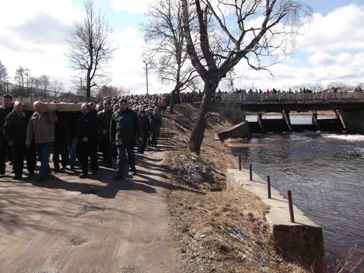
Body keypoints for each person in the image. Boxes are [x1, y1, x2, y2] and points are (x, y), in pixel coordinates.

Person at [26, 101, 57, 181]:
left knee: (44, 158)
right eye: (36, 107)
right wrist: (28, 140)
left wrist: (48, 110)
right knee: (42, 158)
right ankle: (48, 172)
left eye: (39, 106)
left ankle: (42, 176)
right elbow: (30, 130)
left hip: (47, 140)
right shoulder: (34, 115)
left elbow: (54, 120)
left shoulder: (49, 114)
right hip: (38, 141)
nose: (37, 108)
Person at [110, 99, 139, 179]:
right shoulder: (115, 114)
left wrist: (137, 137)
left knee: (130, 155)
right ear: (119, 105)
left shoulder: (133, 114)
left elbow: (137, 126)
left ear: (127, 105)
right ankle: (120, 174)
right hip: (119, 138)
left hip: (130, 138)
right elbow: (112, 128)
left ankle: (132, 168)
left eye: (124, 104)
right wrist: (112, 139)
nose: (122, 106)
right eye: (121, 104)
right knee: (120, 156)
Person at [3, 101, 28, 179]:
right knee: (16, 158)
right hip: (14, 141)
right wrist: (9, 140)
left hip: (23, 140)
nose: (20, 108)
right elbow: (6, 129)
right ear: (15, 107)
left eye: (21, 107)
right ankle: (17, 174)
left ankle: (19, 173)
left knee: (21, 158)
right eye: (18, 107)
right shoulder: (10, 116)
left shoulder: (24, 115)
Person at [77, 103, 98, 178]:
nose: (84, 110)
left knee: (92, 155)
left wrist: (87, 136)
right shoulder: (79, 116)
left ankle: (94, 168)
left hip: (90, 139)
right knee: (83, 156)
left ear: (88, 109)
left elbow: (93, 128)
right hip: (82, 139)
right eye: (82, 108)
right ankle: (84, 172)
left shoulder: (92, 116)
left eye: (85, 108)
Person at [0, 95, 13, 176]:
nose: (5, 102)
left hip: (12, 135)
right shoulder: (0, 110)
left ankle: (16, 169)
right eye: (4, 100)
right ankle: (1, 170)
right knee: (1, 153)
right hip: (1, 134)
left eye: (7, 100)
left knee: (14, 153)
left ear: (11, 101)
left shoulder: (14, 109)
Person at [97, 100, 113, 167]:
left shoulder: (113, 114)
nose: (106, 106)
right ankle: (105, 160)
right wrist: (101, 130)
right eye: (105, 104)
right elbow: (97, 124)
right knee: (103, 148)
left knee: (109, 149)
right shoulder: (100, 113)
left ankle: (109, 162)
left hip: (110, 134)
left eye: (108, 104)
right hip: (102, 134)